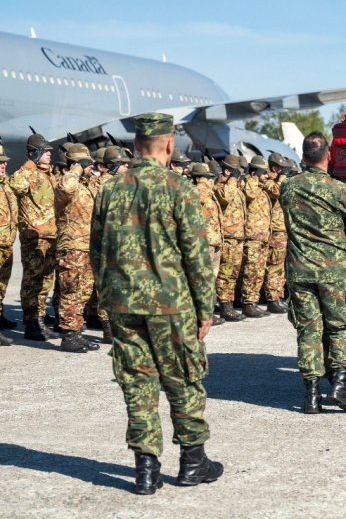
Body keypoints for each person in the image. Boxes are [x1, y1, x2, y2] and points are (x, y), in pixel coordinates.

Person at [90, 112, 222, 495]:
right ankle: (193, 462)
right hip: (170, 304)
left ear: (135, 146)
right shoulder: (178, 189)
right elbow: (197, 256)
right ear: (169, 144)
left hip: (124, 304)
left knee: (137, 383)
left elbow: (96, 251)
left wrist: (108, 297)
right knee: (183, 378)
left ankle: (145, 469)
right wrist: (205, 308)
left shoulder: (109, 189)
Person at [279, 132, 346, 414]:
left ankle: (312, 395)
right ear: (328, 157)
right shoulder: (339, 190)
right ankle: (340, 387)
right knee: (340, 327)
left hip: (300, 270)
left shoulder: (288, 188)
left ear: (303, 157)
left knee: (309, 330)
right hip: (334, 272)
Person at [55, 143, 105, 352]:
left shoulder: (86, 185)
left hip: (86, 246)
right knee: (71, 291)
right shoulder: (66, 183)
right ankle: (68, 336)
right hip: (72, 246)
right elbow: (66, 187)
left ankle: (76, 332)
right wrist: (76, 167)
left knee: (83, 292)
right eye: (86, 163)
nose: (89, 166)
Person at [9, 133, 59, 341]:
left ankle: (39, 318)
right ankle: (31, 322)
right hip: (34, 235)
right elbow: (15, 184)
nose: (49, 154)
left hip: (51, 234)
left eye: (48, 151)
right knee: (32, 279)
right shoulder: (26, 173)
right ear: (34, 153)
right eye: (45, 151)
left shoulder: (49, 174)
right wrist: (30, 163)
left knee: (46, 280)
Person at [214, 155, 246, 322]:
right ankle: (225, 307)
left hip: (237, 237)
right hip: (227, 237)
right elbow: (225, 197)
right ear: (228, 171)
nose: (239, 176)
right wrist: (232, 179)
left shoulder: (235, 187)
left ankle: (228, 304)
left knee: (232, 273)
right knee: (225, 273)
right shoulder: (220, 186)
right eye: (236, 173)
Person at [190, 163, 224, 324]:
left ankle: (207, 313)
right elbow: (199, 197)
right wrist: (202, 183)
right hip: (205, 242)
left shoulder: (209, 192)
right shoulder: (198, 190)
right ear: (198, 178)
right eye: (207, 177)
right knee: (203, 279)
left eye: (212, 177)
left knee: (211, 279)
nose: (211, 180)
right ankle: (201, 314)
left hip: (214, 241)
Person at [239, 155, 272, 318]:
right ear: (255, 173)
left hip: (262, 236)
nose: (267, 176)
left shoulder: (261, 188)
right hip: (252, 236)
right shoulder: (249, 184)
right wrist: (253, 177)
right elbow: (249, 194)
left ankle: (253, 301)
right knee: (251, 270)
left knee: (258, 271)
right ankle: (248, 303)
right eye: (264, 173)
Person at [261, 153, 290, 313]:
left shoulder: (278, 181)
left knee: (280, 267)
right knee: (273, 266)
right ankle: (272, 299)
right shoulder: (268, 181)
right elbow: (277, 191)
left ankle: (278, 295)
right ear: (274, 168)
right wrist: (282, 177)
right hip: (274, 231)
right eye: (280, 169)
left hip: (282, 229)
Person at [0, 143, 17, 346]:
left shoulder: (6, 185)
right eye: (0, 163)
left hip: (6, 242)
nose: (3, 166)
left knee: (2, 285)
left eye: (4, 163)